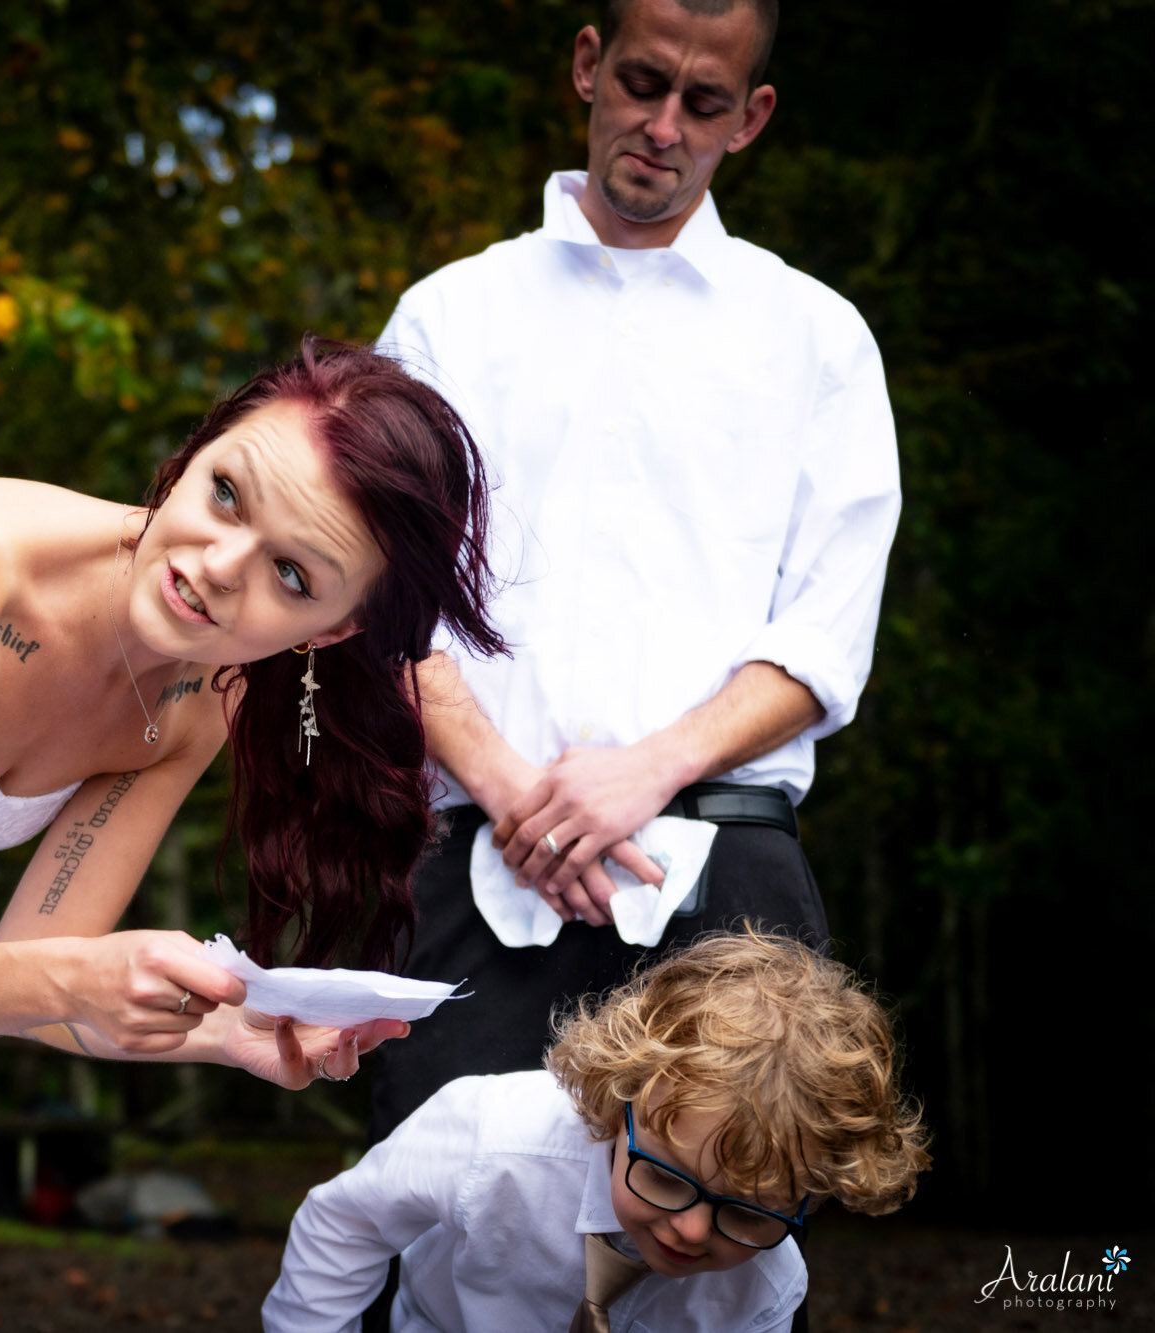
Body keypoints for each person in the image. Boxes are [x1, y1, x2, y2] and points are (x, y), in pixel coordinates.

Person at [0, 337, 507, 1327]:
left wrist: (226, 1026)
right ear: (198, 448)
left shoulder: (190, 705)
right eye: (225, 493)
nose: (217, 567)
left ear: (331, 632)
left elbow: (34, 978)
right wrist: (74, 977)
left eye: (292, 576)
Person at [370, 0, 903, 1142]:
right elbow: (382, 606)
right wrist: (522, 800)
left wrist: (641, 772)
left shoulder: (816, 338)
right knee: (439, 1268)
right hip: (475, 869)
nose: (662, 125)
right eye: (642, 83)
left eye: (701, 102)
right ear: (585, 65)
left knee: (721, 1279)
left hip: (731, 891)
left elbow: (822, 639)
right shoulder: (448, 318)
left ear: (749, 118)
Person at [265, 930, 931, 1332]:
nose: (693, 1230)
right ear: (619, 1104)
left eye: (748, 1212)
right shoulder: (493, 1137)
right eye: (667, 1176)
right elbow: (344, 1223)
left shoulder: (766, 1287)